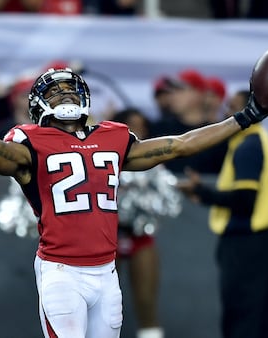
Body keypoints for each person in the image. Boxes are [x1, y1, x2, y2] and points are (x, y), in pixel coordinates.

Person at [0, 64, 268, 338]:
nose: (65, 94)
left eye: (70, 88)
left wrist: (247, 116)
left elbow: (177, 146)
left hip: (106, 273)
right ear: (39, 105)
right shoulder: (28, 141)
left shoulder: (113, 136)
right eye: (54, 91)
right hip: (61, 271)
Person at [177, 89, 268, 338]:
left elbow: (246, 200)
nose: (227, 113)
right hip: (256, 242)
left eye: (233, 107)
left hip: (246, 244)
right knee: (256, 316)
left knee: (242, 316)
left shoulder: (249, 147)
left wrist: (202, 193)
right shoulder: (253, 142)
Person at [112, 108, 164, 338]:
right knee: (105, 302)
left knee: (146, 301)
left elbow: (164, 198)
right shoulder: (103, 155)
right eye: (132, 124)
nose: (138, 130)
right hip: (106, 239)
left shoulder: (153, 158)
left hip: (139, 236)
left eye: (142, 125)